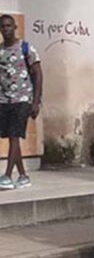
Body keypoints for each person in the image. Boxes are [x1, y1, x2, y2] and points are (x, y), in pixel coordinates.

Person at [0, 15, 43, 190]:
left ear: (15, 27)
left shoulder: (26, 48)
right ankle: (23, 176)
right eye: (3, 27)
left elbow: (38, 75)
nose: (6, 29)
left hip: (23, 99)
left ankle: (8, 175)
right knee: (12, 138)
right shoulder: (1, 51)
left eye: (9, 26)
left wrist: (36, 102)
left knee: (14, 136)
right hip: (4, 100)